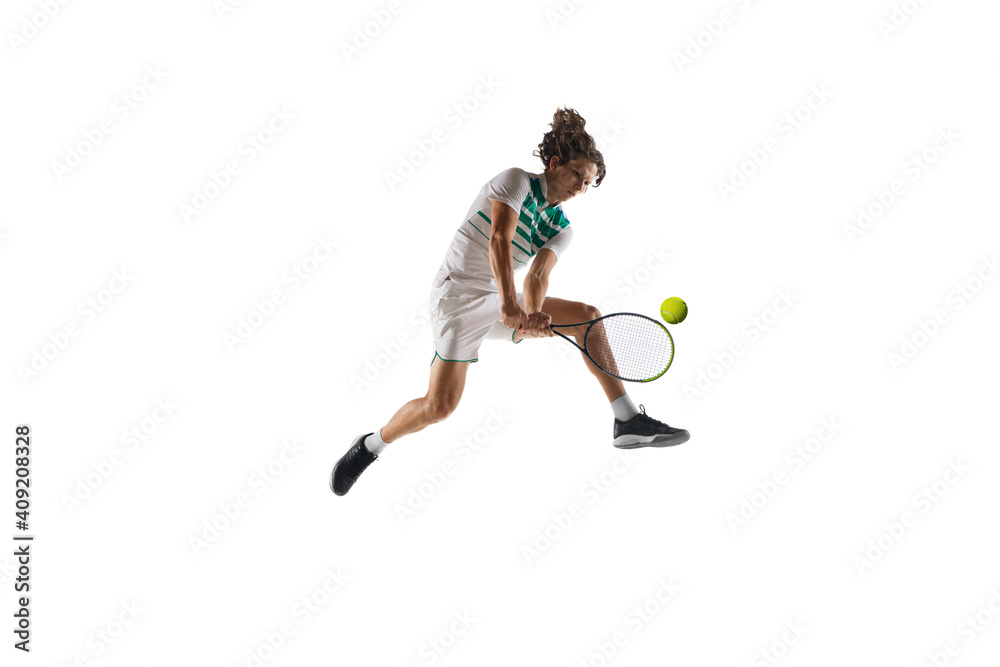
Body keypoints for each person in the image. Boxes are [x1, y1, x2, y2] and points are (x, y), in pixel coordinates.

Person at [331, 108, 689, 496]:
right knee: (440, 407)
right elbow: (499, 240)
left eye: (586, 184)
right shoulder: (515, 181)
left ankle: (627, 420)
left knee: (587, 317)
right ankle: (370, 446)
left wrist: (532, 314)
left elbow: (537, 277)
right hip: (456, 296)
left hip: (501, 300)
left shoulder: (562, 229)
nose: (579, 187)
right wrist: (510, 306)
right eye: (575, 175)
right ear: (554, 164)